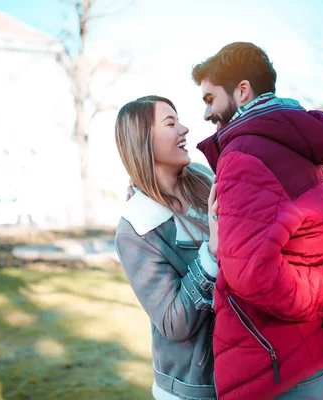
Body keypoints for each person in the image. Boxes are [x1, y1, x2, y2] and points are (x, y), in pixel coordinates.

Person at [192, 42, 323, 399]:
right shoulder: (292, 143)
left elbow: (254, 275)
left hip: (272, 365)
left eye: (209, 99)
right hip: (307, 352)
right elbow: (315, 239)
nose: (206, 114)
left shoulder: (244, 154)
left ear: (242, 90)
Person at [114, 95, 220, 400]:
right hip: (192, 388)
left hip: (243, 369)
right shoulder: (136, 227)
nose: (184, 129)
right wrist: (211, 253)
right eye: (171, 123)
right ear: (143, 140)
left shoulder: (203, 178)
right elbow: (174, 323)